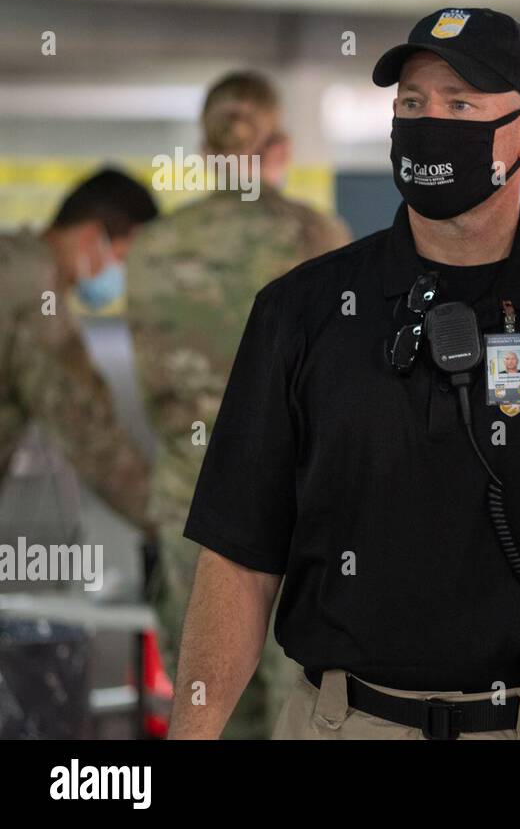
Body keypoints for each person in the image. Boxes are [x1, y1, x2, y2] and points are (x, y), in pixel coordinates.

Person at [167, 7, 520, 740]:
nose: (428, 122)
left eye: (460, 104)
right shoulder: (299, 311)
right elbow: (238, 561)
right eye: (412, 103)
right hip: (342, 723)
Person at [126, 71, 351, 739]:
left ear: (203, 153)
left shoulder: (150, 248)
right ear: (278, 149)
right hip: (292, 507)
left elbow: (152, 388)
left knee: (204, 701)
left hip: (186, 503)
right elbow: (339, 381)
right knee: (298, 701)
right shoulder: (316, 236)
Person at [0, 168, 157, 531]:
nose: (125, 278)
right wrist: (186, 527)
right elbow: (87, 431)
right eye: (124, 260)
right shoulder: (36, 292)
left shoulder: (14, 260)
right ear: (91, 237)